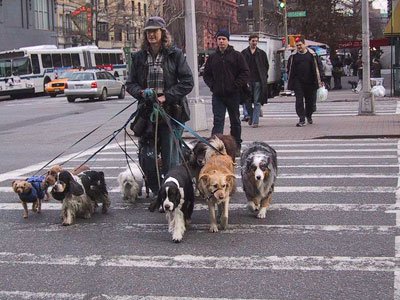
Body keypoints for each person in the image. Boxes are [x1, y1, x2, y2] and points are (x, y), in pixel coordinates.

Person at [126, 16, 194, 196]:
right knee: (146, 157)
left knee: (170, 158)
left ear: (162, 33)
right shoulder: (138, 57)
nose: (151, 34)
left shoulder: (175, 54)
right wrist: (141, 93)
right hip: (147, 114)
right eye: (148, 31)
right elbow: (130, 83)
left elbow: (187, 82)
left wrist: (166, 97)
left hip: (171, 112)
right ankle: (158, 191)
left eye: (154, 31)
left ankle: (171, 191)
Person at [203, 29, 249, 155]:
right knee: (218, 121)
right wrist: (213, 85)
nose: (221, 41)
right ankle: (214, 146)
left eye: (224, 39)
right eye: (219, 39)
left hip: (233, 94)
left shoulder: (237, 56)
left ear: (228, 40)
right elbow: (206, 74)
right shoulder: (213, 58)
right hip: (218, 95)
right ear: (216, 41)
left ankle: (236, 146)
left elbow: (244, 73)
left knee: (235, 121)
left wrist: (235, 85)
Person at [287, 37, 324, 127]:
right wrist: (291, 81)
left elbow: (318, 67)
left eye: (300, 45)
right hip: (298, 82)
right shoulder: (293, 57)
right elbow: (289, 69)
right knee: (299, 101)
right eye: (297, 45)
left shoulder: (312, 55)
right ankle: (301, 118)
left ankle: (309, 115)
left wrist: (321, 79)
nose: (299, 47)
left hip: (311, 82)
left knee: (310, 101)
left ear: (305, 45)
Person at [241, 34, 269, 128]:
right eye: (253, 41)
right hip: (247, 81)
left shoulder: (261, 53)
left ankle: (255, 121)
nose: (254, 43)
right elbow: (240, 67)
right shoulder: (243, 53)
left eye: (256, 41)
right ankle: (252, 116)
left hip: (258, 80)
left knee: (257, 101)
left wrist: (264, 77)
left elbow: (266, 66)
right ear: (249, 41)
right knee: (247, 101)